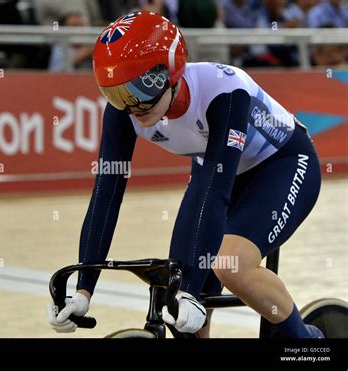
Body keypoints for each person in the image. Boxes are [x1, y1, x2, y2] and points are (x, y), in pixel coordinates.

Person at [47, 11, 324, 338]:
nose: (132, 104)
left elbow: (217, 191)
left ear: (171, 71)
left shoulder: (225, 92)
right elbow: (106, 197)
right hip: (215, 171)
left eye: (138, 88)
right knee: (174, 293)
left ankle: (309, 345)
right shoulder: (127, 110)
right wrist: (83, 291)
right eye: (116, 93)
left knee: (229, 266)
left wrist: (193, 290)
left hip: (283, 164)